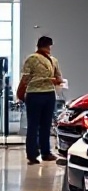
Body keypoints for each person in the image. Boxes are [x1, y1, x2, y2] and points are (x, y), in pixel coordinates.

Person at [17, 35, 63, 166]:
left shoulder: (31, 59)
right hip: (49, 94)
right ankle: (45, 152)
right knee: (45, 125)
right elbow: (59, 78)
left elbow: (25, 78)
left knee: (33, 125)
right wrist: (53, 80)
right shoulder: (53, 60)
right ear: (49, 46)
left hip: (34, 95)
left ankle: (32, 154)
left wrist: (20, 93)